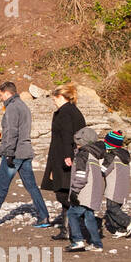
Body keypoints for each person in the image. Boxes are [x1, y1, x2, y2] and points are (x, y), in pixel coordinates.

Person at [0, 81, 51, 229]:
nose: (0, 97)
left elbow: (11, 132)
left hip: (15, 153)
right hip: (25, 152)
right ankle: (44, 216)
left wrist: (9, 153)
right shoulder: (24, 106)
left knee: (1, 187)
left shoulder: (11, 107)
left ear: (7, 93)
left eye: (1, 94)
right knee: (31, 186)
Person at [41, 83, 86, 241]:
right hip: (66, 154)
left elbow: (68, 134)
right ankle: (67, 229)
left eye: (55, 97)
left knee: (63, 193)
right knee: (64, 191)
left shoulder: (66, 112)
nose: (54, 100)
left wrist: (67, 155)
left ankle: (76, 224)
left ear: (61, 96)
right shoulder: (72, 110)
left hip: (63, 156)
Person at [67, 126, 106, 252]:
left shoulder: (82, 155)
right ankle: (96, 244)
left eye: (77, 143)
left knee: (72, 214)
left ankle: (77, 240)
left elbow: (81, 176)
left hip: (85, 191)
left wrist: (74, 191)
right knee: (89, 216)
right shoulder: (94, 155)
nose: (76, 145)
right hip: (95, 191)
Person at [100, 130, 131, 237]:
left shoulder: (111, 156)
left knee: (112, 208)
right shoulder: (124, 156)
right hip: (123, 187)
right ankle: (120, 229)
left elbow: (103, 171)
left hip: (113, 187)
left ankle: (128, 221)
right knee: (112, 209)